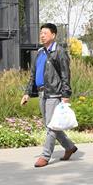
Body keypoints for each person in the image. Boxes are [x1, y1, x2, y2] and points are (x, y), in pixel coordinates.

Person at [21, 23, 77, 168]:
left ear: (53, 35)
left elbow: (66, 75)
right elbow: (33, 75)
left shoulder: (59, 51)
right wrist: (27, 93)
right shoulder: (40, 52)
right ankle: (69, 147)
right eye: (41, 33)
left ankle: (45, 156)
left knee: (51, 127)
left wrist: (65, 95)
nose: (42, 35)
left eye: (45, 33)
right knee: (50, 125)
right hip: (41, 93)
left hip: (54, 93)